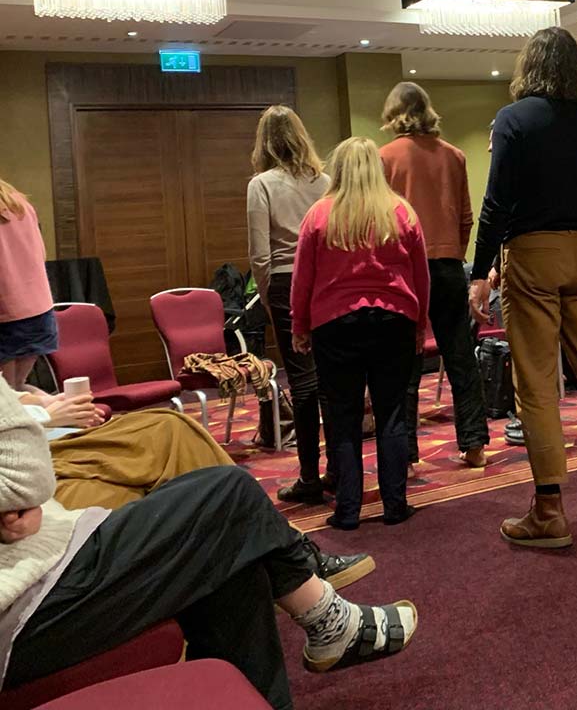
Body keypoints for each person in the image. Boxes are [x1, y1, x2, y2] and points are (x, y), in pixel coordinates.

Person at [0, 378, 417, 708]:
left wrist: (29, 410)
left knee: (228, 547)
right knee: (228, 496)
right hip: (22, 604)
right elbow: (23, 473)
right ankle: (323, 609)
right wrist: (38, 415)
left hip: (44, 557)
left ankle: (304, 591)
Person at [468, 27, 577, 549]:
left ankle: (549, 510)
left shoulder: (514, 119)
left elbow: (496, 201)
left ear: (529, 66)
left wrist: (480, 272)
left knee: (538, 382)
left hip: (532, 253)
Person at [291, 137, 430, 531]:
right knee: (392, 413)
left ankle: (348, 509)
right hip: (394, 321)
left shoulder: (320, 214)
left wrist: (300, 325)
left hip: (335, 324)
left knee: (342, 416)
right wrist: (420, 325)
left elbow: (302, 278)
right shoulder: (401, 212)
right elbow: (421, 277)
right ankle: (395, 504)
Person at [380, 83, 489, 468]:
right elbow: (466, 217)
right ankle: (474, 444)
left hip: (404, 269)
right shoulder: (454, 156)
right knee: (460, 357)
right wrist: (454, 252)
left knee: (403, 364)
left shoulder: (384, 157)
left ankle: (406, 452)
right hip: (447, 265)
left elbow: (382, 221)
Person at [247, 106, 331, 504]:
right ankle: (338, 468)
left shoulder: (261, 184)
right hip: (327, 282)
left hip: (284, 281)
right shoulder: (325, 182)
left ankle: (309, 476)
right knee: (331, 378)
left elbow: (259, 254)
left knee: (302, 381)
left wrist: (268, 296)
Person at [0, 179, 59, 391]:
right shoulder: (21, 204)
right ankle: (71, 407)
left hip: (7, 313)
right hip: (39, 309)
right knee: (17, 388)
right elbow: (41, 254)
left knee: (8, 394)